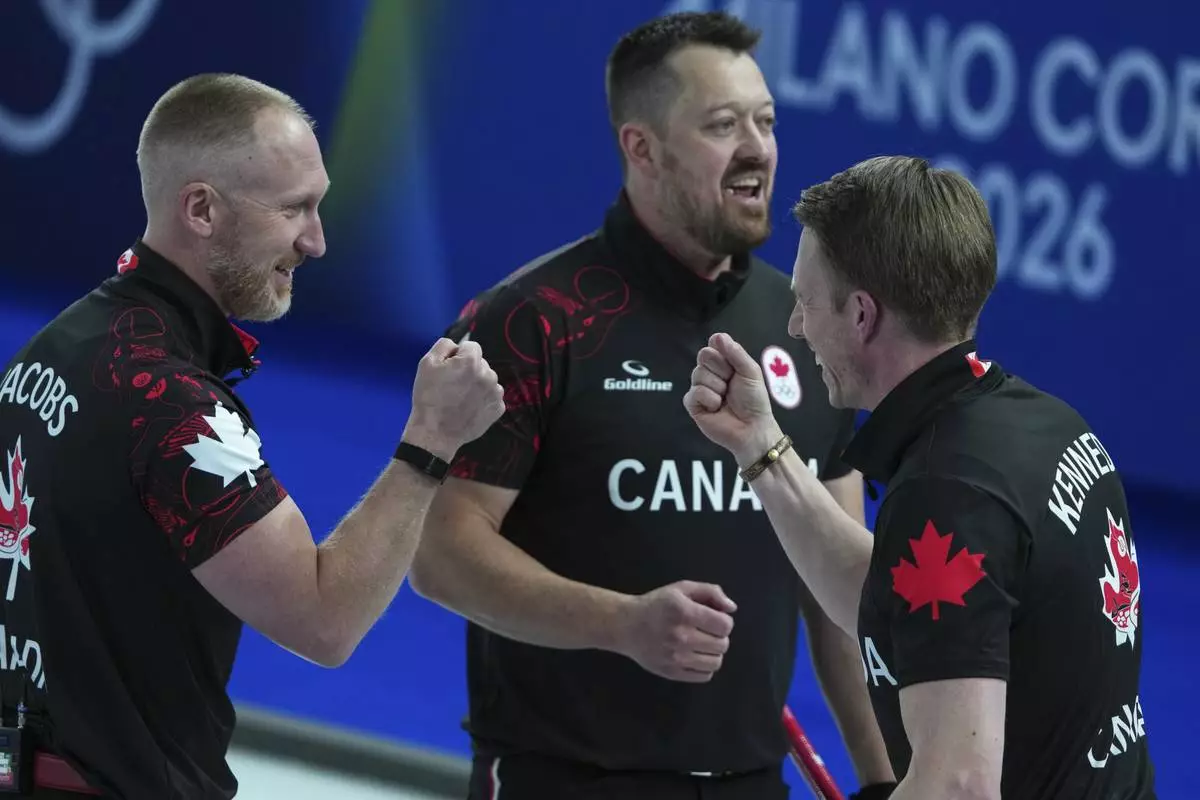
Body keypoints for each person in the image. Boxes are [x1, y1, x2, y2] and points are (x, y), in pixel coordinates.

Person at [409, 12, 896, 800]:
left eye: (765, 121)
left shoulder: (807, 326)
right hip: (562, 779)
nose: (756, 148)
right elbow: (441, 555)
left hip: (747, 782)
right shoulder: (535, 320)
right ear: (642, 148)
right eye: (721, 125)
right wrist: (620, 623)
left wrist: (888, 783)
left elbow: (838, 589)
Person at [0, 73, 505, 799]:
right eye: (295, 208)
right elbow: (324, 619)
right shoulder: (172, 405)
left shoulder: (49, 351)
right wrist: (432, 438)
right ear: (201, 209)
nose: (317, 240)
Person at [683, 154, 1157, 799]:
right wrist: (761, 447)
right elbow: (899, 612)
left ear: (861, 315)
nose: (795, 326)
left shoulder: (947, 492)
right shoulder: (1044, 426)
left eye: (806, 302)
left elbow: (957, 785)